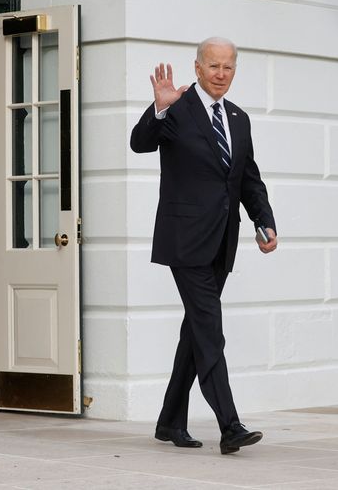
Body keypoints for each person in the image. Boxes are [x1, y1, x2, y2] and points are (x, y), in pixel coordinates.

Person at [130, 37, 277, 454]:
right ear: (197, 68)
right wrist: (159, 107)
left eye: (228, 67)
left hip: (221, 243)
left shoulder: (238, 117)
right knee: (210, 331)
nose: (220, 74)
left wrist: (263, 221)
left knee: (195, 333)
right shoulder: (176, 108)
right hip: (185, 241)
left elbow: (248, 178)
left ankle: (169, 422)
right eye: (213, 66)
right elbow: (140, 142)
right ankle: (230, 426)